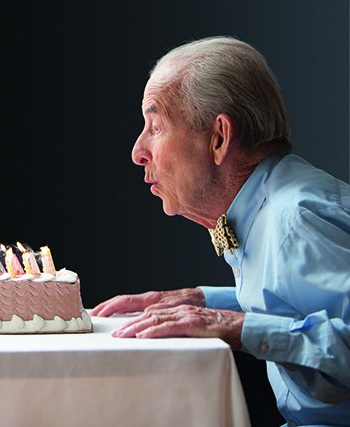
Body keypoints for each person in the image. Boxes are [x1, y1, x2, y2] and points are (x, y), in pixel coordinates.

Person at [90, 36, 350, 426]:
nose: (137, 151)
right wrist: (204, 302)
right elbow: (296, 304)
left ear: (218, 138)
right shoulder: (272, 203)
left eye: (156, 126)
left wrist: (235, 326)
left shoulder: (294, 220)